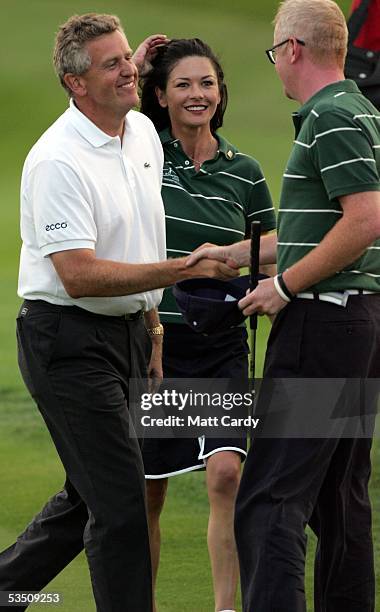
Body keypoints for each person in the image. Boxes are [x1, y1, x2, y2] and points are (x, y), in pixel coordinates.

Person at [0, 14, 238, 612]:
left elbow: (139, 240)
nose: (129, 69)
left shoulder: (139, 135)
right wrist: (185, 270)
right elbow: (78, 276)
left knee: (89, 495)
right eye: (111, 64)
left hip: (130, 335)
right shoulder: (57, 159)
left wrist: (154, 329)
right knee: (122, 506)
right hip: (68, 342)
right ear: (75, 83)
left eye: (127, 57)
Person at [188, 0, 380, 610]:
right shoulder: (360, 109)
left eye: (275, 53)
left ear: (293, 49)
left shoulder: (329, 117)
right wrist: (239, 255)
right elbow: (318, 227)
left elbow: (366, 220)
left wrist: (284, 286)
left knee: (270, 498)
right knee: (339, 497)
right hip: (357, 325)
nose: (276, 65)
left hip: (321, 325)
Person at [133, 37, 276, 612]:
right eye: (183, 84)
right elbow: (100, 125)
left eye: (207, 83)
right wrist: (138, 68)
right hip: (152, 346)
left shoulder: (244, 172)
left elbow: (271, 251)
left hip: (220, 344)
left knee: (226, 476)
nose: (198, 94)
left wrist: (240, 262)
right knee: (146, 493)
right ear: (161, 97)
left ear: (221, 93)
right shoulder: (143, 157)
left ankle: (224, 608)